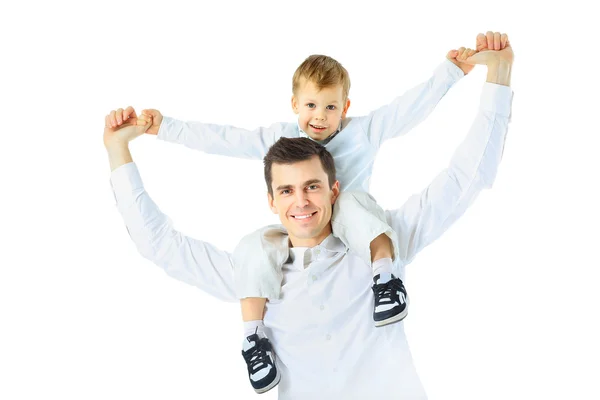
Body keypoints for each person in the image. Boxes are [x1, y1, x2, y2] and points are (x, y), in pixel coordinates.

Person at [104, 35, 514, 399]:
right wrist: (122, 147)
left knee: (360, 211)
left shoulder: (382, 241)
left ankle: (386, 288)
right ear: (272, 201)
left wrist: (495, 73)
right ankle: (253, 341)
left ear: (333, 190)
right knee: (254, 245)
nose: (301, 201)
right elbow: (158, 242)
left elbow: (468, 175)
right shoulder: (254, 274)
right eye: (286, 190)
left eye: (313, 186)